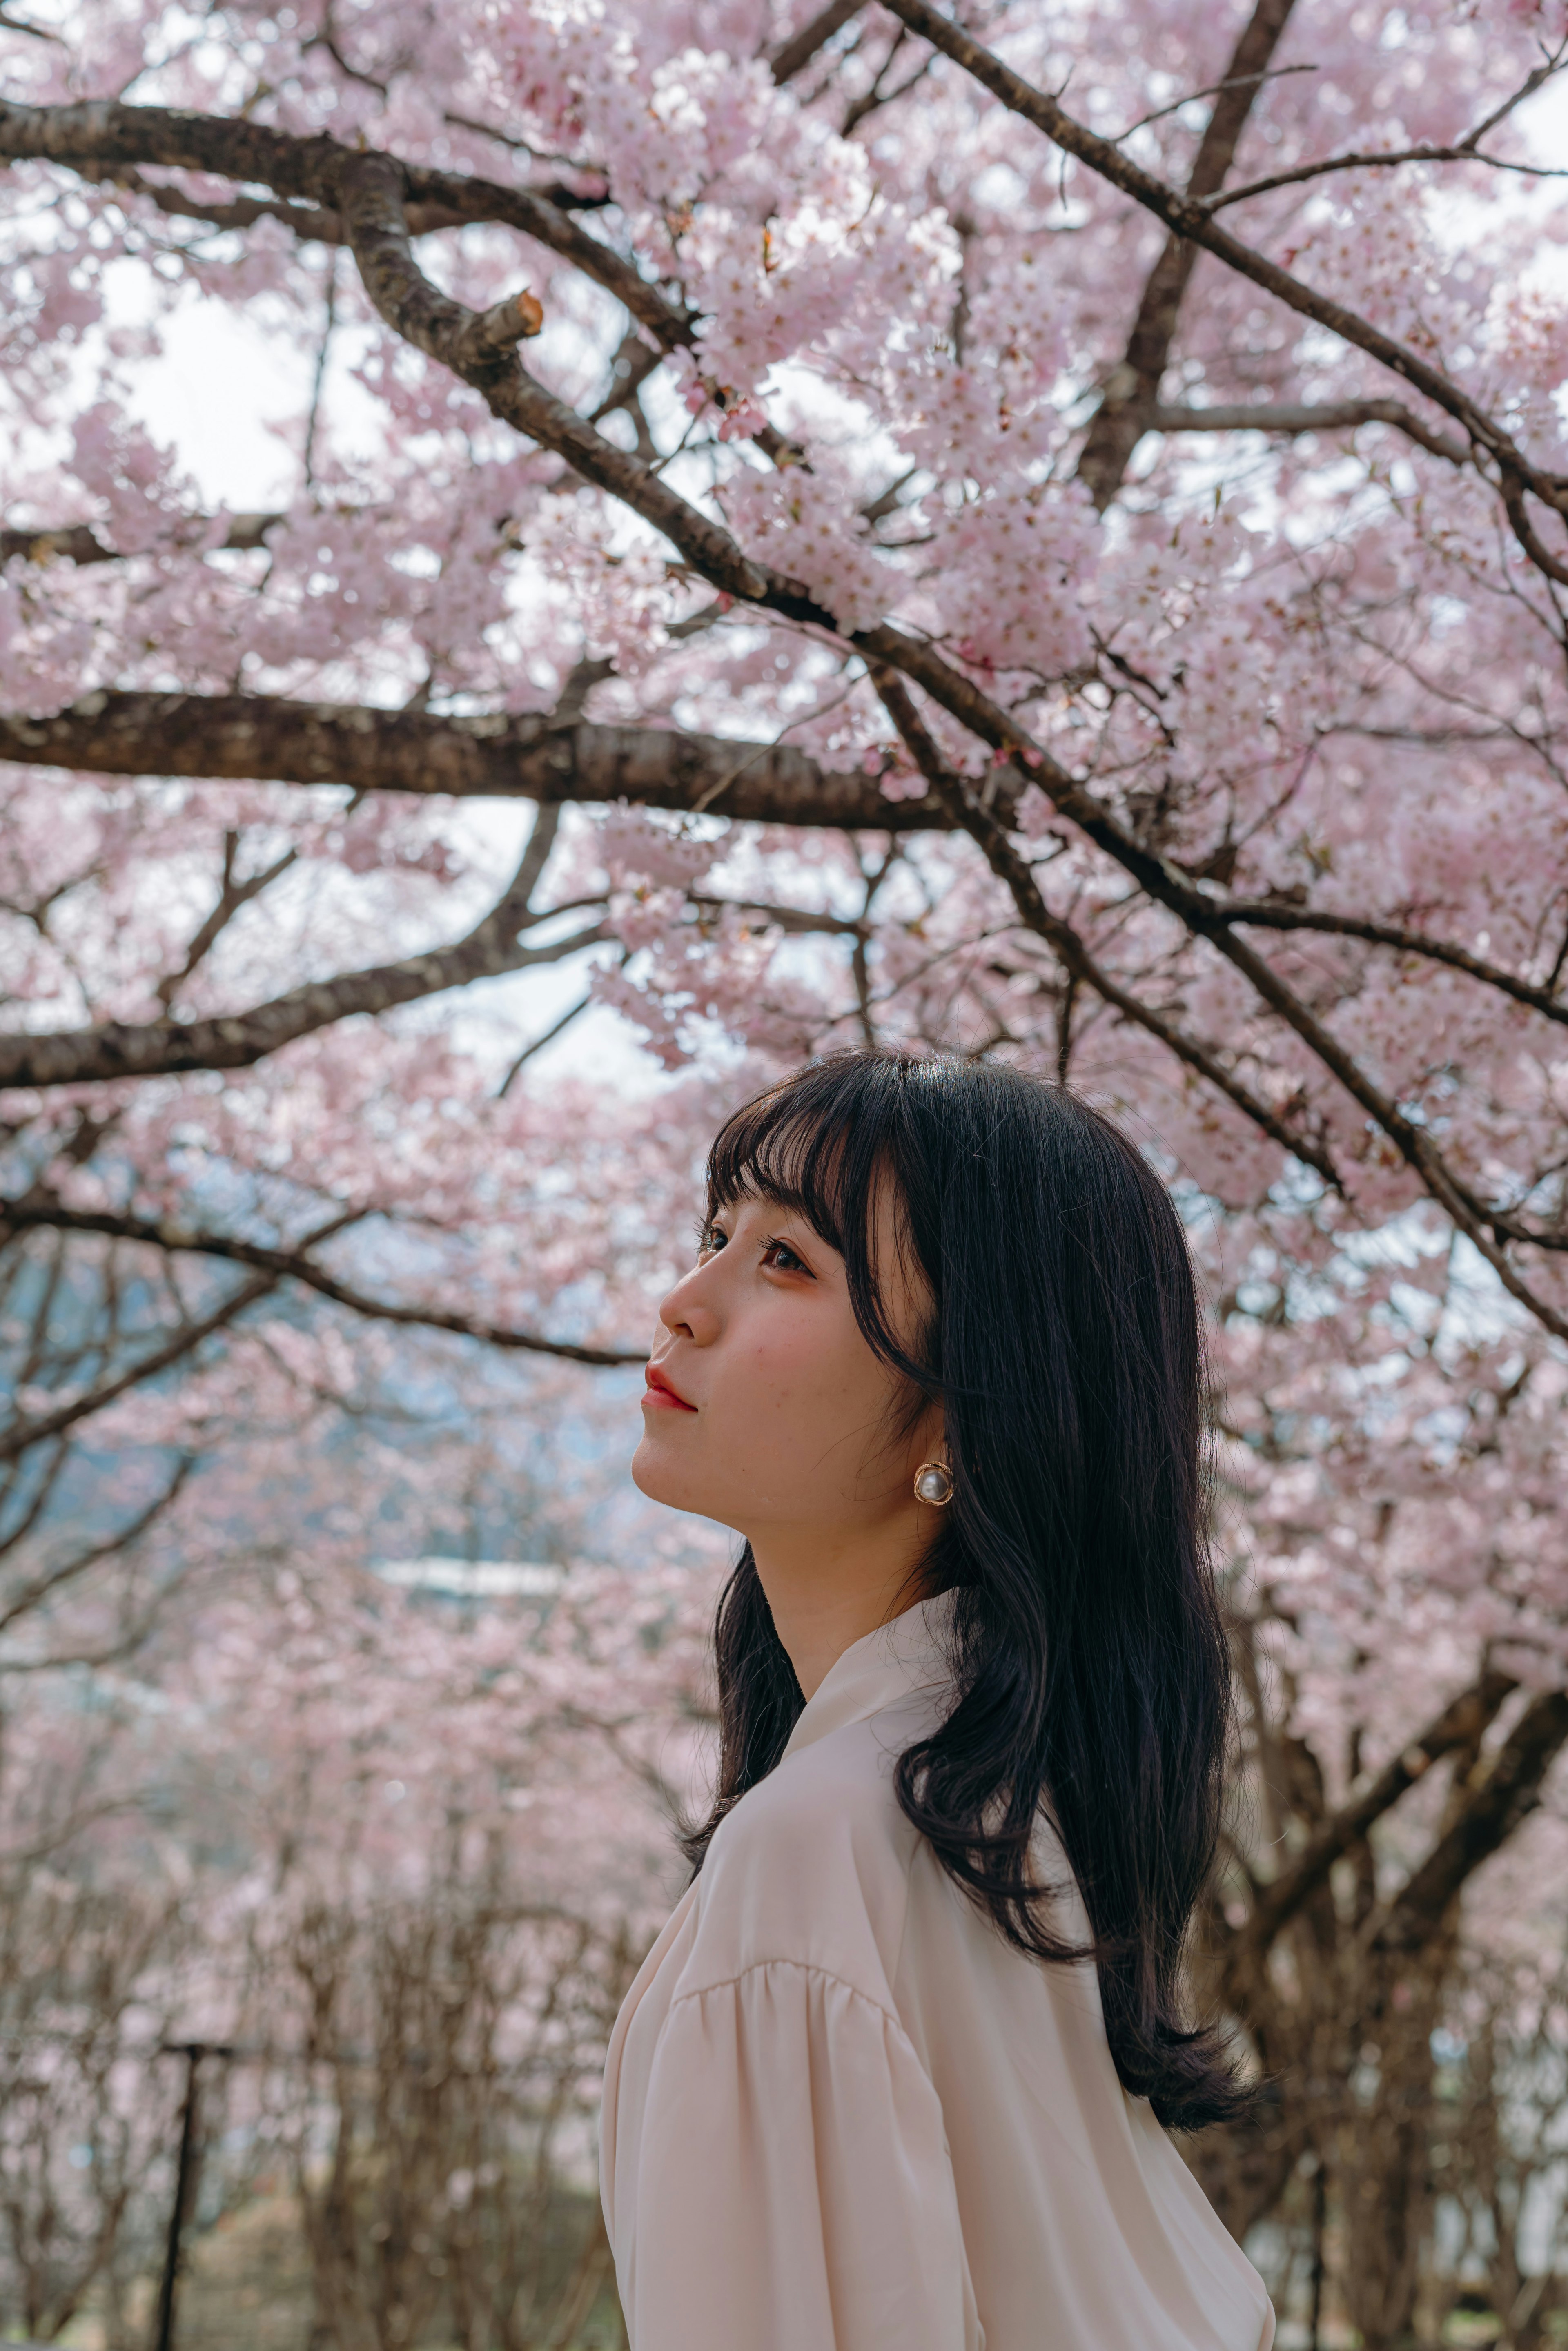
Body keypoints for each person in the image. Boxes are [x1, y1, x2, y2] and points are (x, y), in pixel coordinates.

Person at [600, 1047, 1274, 2351]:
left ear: (968, 1408)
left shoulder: (825, 1852)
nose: (684, 1304)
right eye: (716, 1235)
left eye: (786, 1260)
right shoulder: (992, 1814)